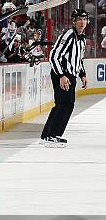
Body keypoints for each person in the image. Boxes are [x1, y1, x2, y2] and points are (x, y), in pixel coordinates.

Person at [41, 8, 88, 147]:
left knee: (65, 105)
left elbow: (79, 59)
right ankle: (51, 135)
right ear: (73, 21)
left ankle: (49, 135)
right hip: (61, 74)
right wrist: (61, 75)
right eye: (79, 19)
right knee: (64, 104)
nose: (82, 22)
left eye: (84, 19)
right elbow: (54, 56)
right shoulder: (69, 35)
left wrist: (82, 74)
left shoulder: (82, 38)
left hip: (70, 75)